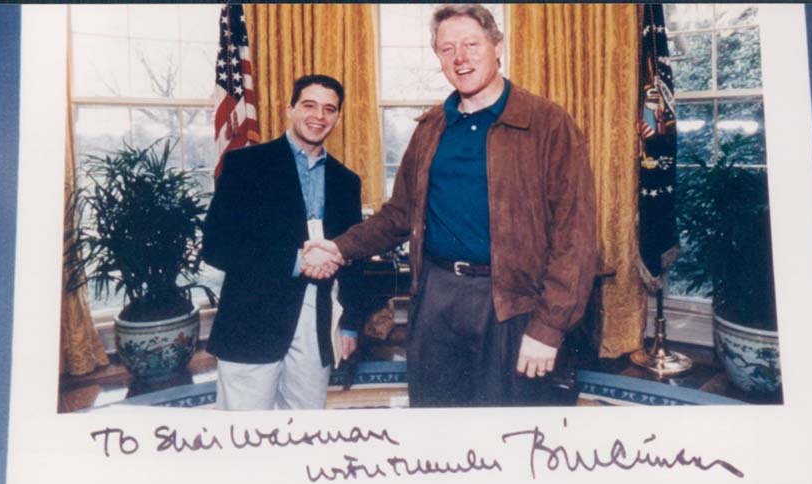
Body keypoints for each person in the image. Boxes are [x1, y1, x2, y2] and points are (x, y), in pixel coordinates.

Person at [305, 4, 597, 407]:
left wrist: (549, 327)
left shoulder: (547, 124)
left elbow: (575, 235)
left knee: (510, 433)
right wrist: (338, 248)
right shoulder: (429, 130)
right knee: (437, 429)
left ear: (497, 46)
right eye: (447, 49)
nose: (460, 58)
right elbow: (397, 216)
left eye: (471, 44)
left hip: (513, 303)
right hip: (436, 298)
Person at [202, 74, 365, 410]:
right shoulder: (245, 165)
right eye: (309, 105)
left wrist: (349, 324)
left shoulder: (346, 181)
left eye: (329, 109)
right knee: (243, 433)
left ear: (338, 117)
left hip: (317, 318)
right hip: (252, 318)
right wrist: (295, 261)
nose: (319, 116)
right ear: (290, 109)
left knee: (304, 427)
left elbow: (355, 260)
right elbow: (217, 245)